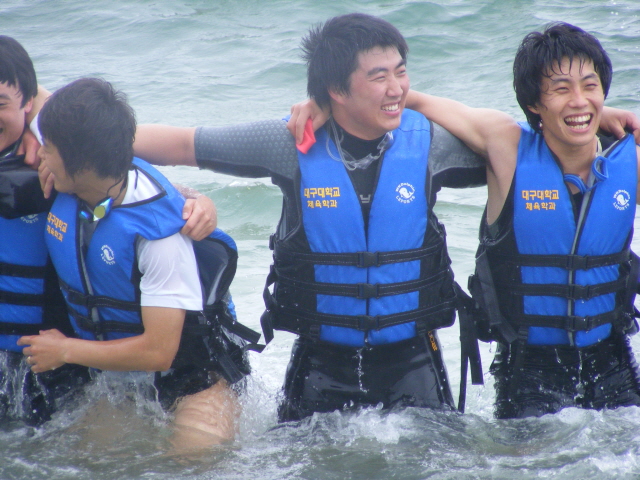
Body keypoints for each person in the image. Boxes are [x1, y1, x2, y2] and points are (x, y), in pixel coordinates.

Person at [132, 13, 494, 421]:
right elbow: (183, 145)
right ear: (336, 89)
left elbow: (511, 144)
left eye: (401, 72)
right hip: (319, 370)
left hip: (414, 368)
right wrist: (82, 137)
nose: (396, 88)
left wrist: (413, 100)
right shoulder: (288, 145)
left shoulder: (431, 145)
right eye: (379, 77)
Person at [392, 22, 640, 418]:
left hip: (613, 364)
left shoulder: (631, 161)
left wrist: (588, 111)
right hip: (529, 371)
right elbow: (407, 98)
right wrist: (320, 103)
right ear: (534, 103)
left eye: (590, 86)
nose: (579, 100)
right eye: (561, 89)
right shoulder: (506, 146)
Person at [17, 77, 259, 448]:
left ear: (81, 161)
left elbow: (159, 351)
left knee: (194, 457)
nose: (39, 155)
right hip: (121, 379)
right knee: (91, 458)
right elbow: (28, 90)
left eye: (47, 148)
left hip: (193, 374)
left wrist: (65, 351)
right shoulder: (79, 165)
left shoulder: (160, 236)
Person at [0, 35, 93, 427]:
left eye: (0, 104)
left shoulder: (59, 167)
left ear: (27, 103)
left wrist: (196, 203)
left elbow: (126, 180)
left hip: (49, 368)